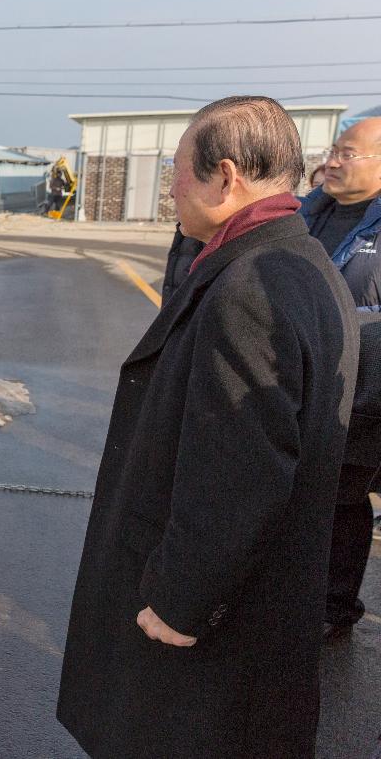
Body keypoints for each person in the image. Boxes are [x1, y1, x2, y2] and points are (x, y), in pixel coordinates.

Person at [57, 96, 360, 757]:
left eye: (176, 172)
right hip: (261, 624)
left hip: (215, 648)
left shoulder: (252, 280)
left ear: (225, 177)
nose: (169, 190)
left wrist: (178, 602)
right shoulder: (303, 262)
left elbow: (240, 472)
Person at [302, 117, 381, 641]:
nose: (332, 160)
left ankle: (333, 608)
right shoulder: (309, 210)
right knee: (297, 492)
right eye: (333, 149)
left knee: (342, 499)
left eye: (346, 153)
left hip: (363, 390)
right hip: (298, 378)